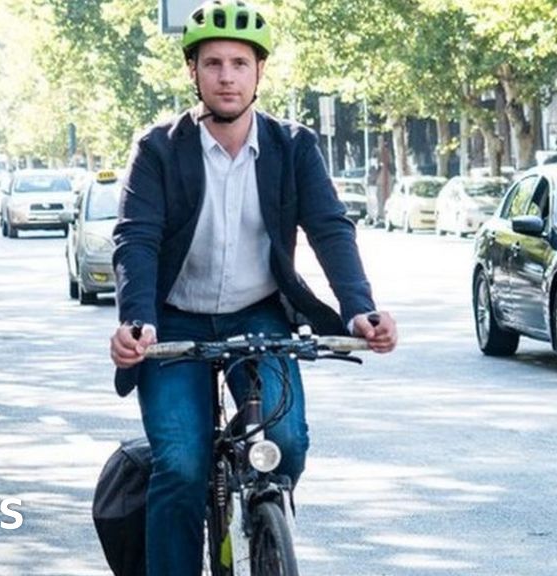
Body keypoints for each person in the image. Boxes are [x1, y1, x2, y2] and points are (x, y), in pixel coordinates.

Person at [108, 1, 398, 574]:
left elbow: (329, 229)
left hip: (258, 315)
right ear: (193, 72)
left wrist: (360, 309)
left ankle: (262, 516)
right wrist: (135, 321)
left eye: (240, 63)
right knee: (182, 466)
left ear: (259, 72)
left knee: (285, 444)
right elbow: (136, 239)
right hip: (174, 321)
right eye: (212, 63)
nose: (226, 76)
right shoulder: (159, 149)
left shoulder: (293, 146)